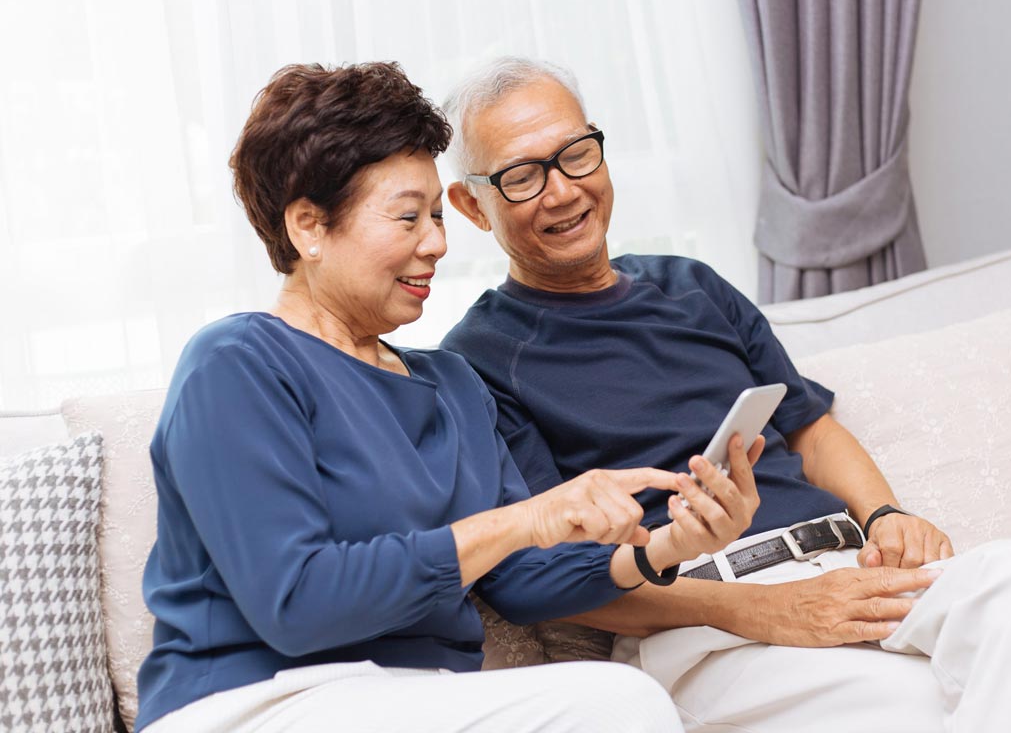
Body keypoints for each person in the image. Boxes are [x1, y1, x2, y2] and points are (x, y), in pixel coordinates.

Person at [439, 56, 1011, 732]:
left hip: (849, 567)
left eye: (575, 154)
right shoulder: (477, 362)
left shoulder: (694, 286)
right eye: (522, 177)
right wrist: (762, 609)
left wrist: (885, 514)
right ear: (472, 205)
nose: (563, 190)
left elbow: (809, 428)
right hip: (707, 631)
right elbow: (537, 578)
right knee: (956, 706)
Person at [135, 62, 764, 733]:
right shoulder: (237, 364)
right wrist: (526, 520)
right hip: (255, 703)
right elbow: (297, 602)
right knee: (623, 704)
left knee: (618, 696)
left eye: (436, 215)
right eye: (407, 218)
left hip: (418, 700)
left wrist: (665, 546)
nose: (436, 243)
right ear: (309, 227)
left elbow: (523, 582)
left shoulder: (453, 386)